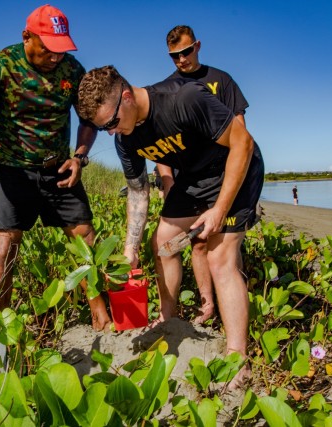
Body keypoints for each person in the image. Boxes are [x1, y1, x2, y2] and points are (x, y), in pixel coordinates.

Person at [76, 65, 264, 387]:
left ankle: (238, 357)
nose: (110, 132)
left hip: (236, 168)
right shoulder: (126, 138)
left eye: (111, 122)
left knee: (220, 258)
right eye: (102, 127)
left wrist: (219, 209)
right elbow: (137, 192)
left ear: (127, 97)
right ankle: (168, 318)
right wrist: (129, 248)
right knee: (163, 243)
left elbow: (243, 143)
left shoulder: (184, 99)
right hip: (194, 179)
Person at [0, 5, 111, 331]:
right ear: (27, 36)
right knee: (4, 247)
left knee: (86, 241)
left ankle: (103, 320)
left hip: (58, 168)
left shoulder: (72, 70)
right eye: (49, 49)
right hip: (12, 170)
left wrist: (80, 157)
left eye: (62, 49)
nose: (56, 57)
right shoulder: (1, 64)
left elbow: (88, 118)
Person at [162, 25, 251, 324]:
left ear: (198, 46)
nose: (181, 60)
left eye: (186, 52)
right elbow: (158, 141)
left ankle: (235, 296)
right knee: (198, 242)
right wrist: (167, 180)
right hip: (189, 178)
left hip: (224, 173)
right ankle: (207, 305)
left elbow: (240, 129)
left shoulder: (222, 80)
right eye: (174, 56)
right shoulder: (167, 87)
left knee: (224, 242)